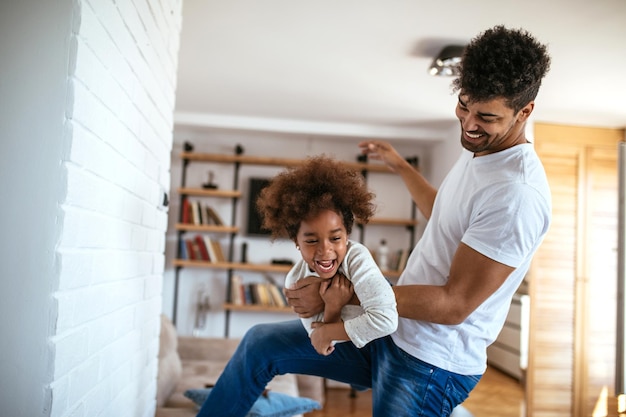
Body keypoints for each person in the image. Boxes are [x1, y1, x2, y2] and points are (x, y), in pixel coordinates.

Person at [196, 25, 552, 417]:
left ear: (525, 112)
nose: (468, 124)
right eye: (463, 105)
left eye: (485, 116)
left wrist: (340, 293)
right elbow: (445, 215)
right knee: (260, 344)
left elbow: (455, 304)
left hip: (430, 361)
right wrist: (399, 165)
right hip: (391, 329)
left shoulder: (517, 194)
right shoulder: (480, 154)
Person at [255, 155, 398, 356]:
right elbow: (325, 344)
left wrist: (329, 325)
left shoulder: (356, 257)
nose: (325, 250)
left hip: (388, 345)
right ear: (296, 242)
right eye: (312, 241)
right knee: (258, 340)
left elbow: (387, 320)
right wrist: (333, 305)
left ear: (347, 235)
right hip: (350, 347)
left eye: (335, 238)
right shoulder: (296, 281)